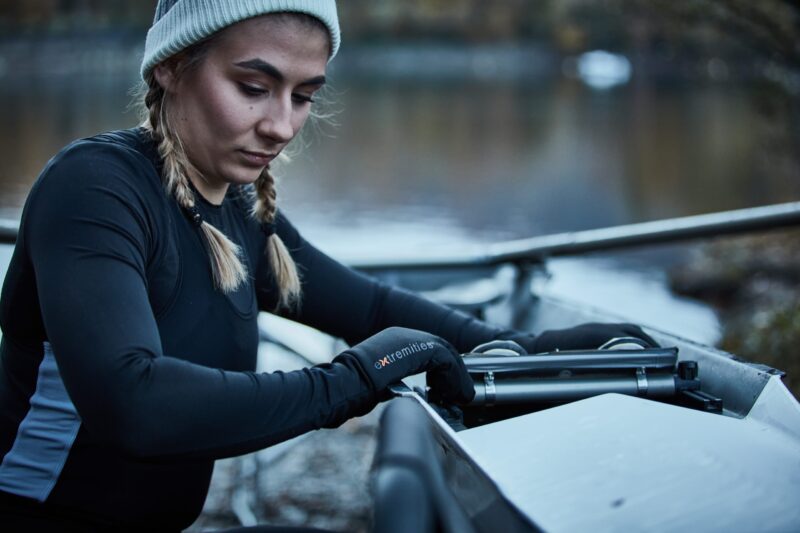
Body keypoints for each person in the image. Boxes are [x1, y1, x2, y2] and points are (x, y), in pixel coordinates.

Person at [0, 1, 656, 530]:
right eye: (254, 87)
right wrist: (353, 380)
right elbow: (132, 402)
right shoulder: (95, 189)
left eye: (305, 94)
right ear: (171, 66)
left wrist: (529, 350)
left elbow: (369, 308)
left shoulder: (237, 210)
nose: (282, 125)